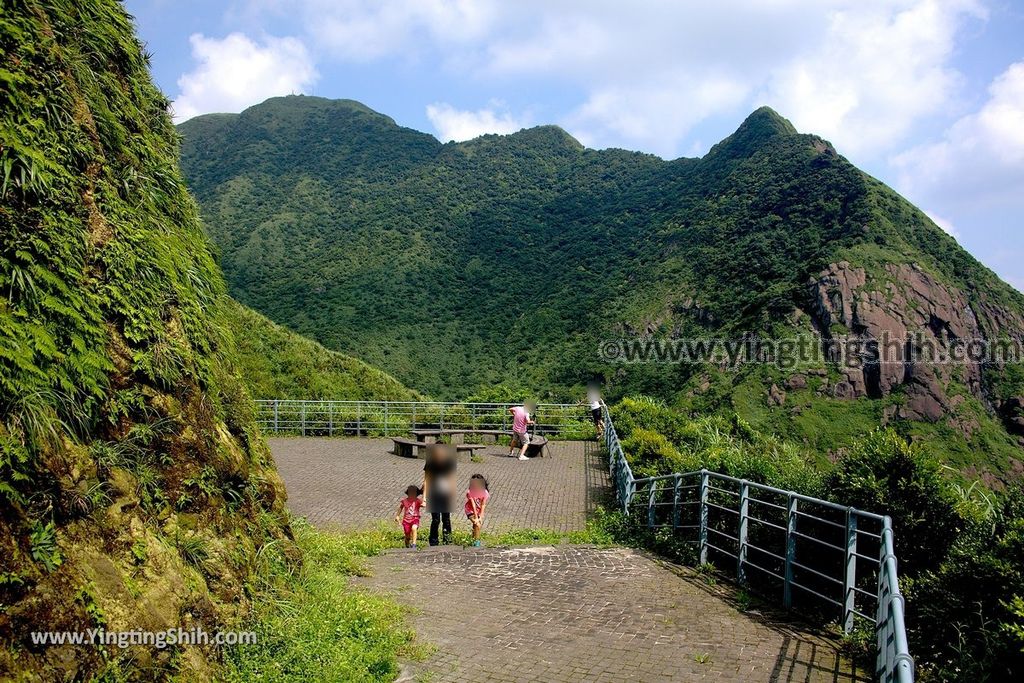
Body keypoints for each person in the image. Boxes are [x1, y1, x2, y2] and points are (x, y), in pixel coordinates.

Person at [422, 443, 457, 546]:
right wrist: (424, 497)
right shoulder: (430, 463)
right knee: (436, 519)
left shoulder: (449, 462)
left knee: (446, 519)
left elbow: (452, 478)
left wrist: (452, 493)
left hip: (445, 492)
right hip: (433, 493)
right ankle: (433, 541)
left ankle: (447, 540)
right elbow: (426, 480)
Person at [464, 474, 490, 547]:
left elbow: (483, 504)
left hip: (478, 511)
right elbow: (473, 505)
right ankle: (477, 544)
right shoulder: (470, 492)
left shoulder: (485, 492)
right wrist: (476, 517)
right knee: (477, 525)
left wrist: (481, 516)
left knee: (475, 526)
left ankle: (473, 540)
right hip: (470, 510)